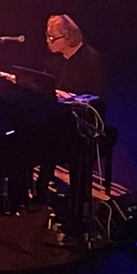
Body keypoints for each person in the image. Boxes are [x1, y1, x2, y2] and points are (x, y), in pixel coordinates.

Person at [35, 14, 108, 210]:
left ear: (68, 38)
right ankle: (38, 193)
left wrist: (70, 99)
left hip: (80, 123)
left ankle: (76, 202)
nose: (48, 42)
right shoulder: (54, 59)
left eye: (52, 38)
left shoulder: (91, 59)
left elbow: (96, 99)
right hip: (56, 119)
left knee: (62, 142)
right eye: (47, 36)